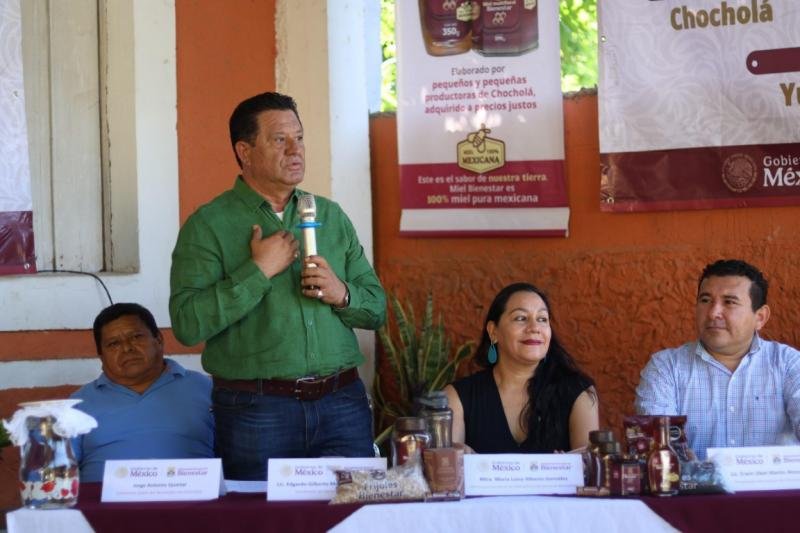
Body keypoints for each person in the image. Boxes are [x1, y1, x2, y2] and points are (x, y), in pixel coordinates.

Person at [169, 91, 386, 480]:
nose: (295, 150)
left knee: (354, 517)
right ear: (245, 150)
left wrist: (343, 293)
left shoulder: (330, 216)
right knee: (261, 521)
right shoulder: (209, 225)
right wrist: (257, 271)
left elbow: (377, 309)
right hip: (257, 409)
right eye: (279, 139)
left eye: (299, 138)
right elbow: (187, 324)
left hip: (341, 403)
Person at [636, 259, 800, 459]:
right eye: (705, 300)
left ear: (760, 317)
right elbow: (658, 450)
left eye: (729, 302)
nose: (713, 313)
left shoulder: (788, 364)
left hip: (775, 489)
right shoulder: (666, 367)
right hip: (696, 489)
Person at [444, 282, 599, 453]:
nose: (534, 328)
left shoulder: (578, 392)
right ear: (493, 331)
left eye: (542, 319)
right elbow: (447, 472)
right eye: (520, 318)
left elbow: (590, 470)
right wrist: (458, 457)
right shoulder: (457, 397)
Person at [71, 303, 214, 482]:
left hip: (194, 502)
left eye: (136, 337)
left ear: (159, 340)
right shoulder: (77, 404)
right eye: (113, 343)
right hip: (104, 507)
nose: (127, 348)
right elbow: (55, 472)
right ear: (101, 356)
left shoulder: (203, 387)